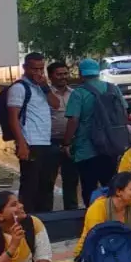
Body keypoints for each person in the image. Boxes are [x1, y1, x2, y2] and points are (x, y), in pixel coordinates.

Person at [62, 58, 128, 206]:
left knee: (89, 187)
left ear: (81, 74)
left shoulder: (79, 93)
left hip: (86, 148)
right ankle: (112, 213)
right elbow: (124, 113)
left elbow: (73, 120)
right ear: (98, 72)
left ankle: (93, 214)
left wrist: (66, 142)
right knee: (111, 185)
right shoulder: (113, 89)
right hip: (111, 145)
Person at [5, 53, 54, 214]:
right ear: (25, 68)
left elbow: (56, 104)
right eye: (34, 69)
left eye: (41, 69)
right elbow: (12, 118)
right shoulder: (19, 88)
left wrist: (45, 87)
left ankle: (44, 219)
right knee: (30, 186)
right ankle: (26, 219)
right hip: (30, 142)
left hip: (45, 142)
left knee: (46, 185)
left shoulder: (41, 88)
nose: (38, 73)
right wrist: (21, 143)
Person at [41, 61, 80, 212]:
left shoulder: (74, 94)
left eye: (65, 73)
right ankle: (47, 214)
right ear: (51, 76)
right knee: (48, 180)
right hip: (51, 142)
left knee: (71, 178)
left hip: (71, 142)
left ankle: (71, 211)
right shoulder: (44, 94)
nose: (63, 77)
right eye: (59, 74)